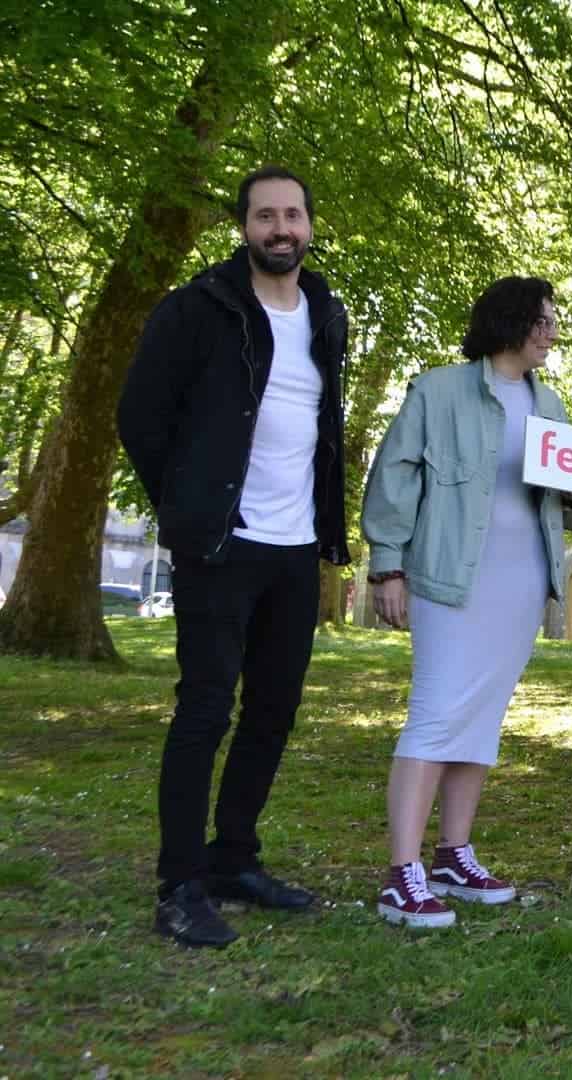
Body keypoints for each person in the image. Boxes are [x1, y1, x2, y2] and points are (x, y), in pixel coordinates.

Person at [118, 166, 349, 947]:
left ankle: (233, 860)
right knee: (205, 711)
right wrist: (189, 508)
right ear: (243, 226)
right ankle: (179, 885)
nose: (279, 228)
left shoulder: (326, 312)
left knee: (273, 713)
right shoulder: (199, 308)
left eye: (292, 215)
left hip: (295, 550)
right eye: (263, 216)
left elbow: (323, 426)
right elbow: (141, 416)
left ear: (309, 226)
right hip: (220, 544)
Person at [361, 276, 572, 928]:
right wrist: (386, 568)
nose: (551, 332)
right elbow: (394, 481)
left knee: (482, 720)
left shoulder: (553, 406)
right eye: (542, 321)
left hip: (520, 583)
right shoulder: (438, 391)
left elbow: (561, 507)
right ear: (510, 322)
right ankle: (402, 875)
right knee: (435, 711)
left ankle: (454, 854)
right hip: (448, 578)